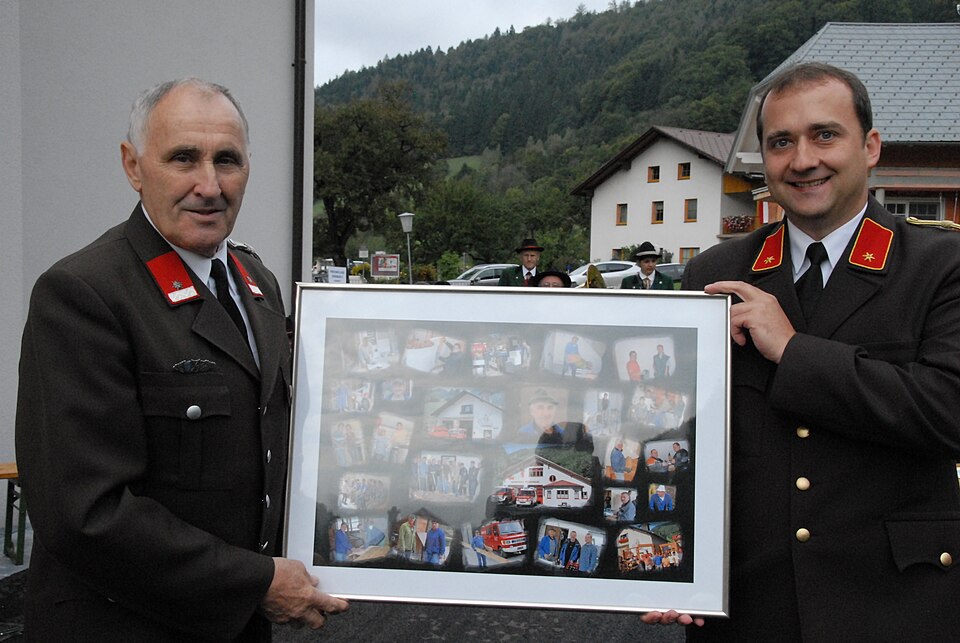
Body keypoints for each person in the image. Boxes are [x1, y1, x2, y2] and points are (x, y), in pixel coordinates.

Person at [14, 78, 348, 640]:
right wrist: (255, 583)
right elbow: (86, 514)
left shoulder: (255, 282)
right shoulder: (84, 293)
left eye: (228, 160)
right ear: (133, 166)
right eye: (183, 158)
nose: (209, 185)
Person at [646, 63, 960, 638]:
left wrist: (793, 351)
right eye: (781, 142)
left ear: (870, 147)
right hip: (749, 607)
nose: (802, 159)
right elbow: (674, 430)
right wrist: (669, 561)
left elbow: (948, 412)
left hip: (895, 605)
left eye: (825, 135)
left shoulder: (940, 266)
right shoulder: (716, 272)